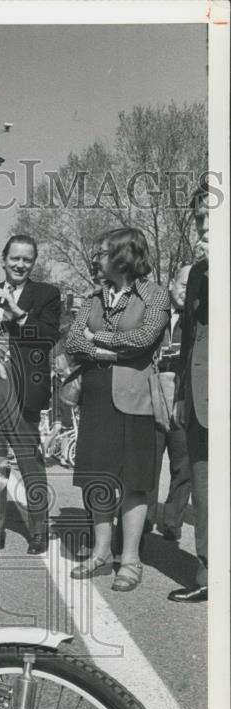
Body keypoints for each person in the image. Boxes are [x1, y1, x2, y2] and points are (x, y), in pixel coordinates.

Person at [65, 227, 169, 593]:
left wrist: (97, 340)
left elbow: (144, 340)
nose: (96, 258)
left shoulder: (155, 294)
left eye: (103, 252)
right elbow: (73, 340)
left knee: (133, 481)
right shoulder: (94, 296)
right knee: (97, 479)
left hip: (134, 398)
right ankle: (100, 552)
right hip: (94, 397)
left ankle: (130, 560)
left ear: (124, 256)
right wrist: (105, 350)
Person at [0, 235, 60, 554]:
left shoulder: (46, 294)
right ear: (4, 259)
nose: (21, 264)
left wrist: (19, 315)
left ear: (33, 263)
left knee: (29, 462)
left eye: (27, 259)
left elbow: (48, 337)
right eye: (15, 258)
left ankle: (39, 530)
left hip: (23, 388)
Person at [168, 186, 209, 603]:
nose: (203, 225)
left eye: (212, 216)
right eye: (199, 218)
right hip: (198, 394)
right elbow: (190, 338)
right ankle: (207, 575)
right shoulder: (197, 271)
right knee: (205, 485)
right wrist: (182, 391)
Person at [145, 263, 192, 541]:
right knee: (149, 463)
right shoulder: (155, 314)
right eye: (183, 284)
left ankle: (172, 522)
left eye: (191, 286)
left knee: (182, 464)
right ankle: (146, 518)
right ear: (172, 283)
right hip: (152, 394)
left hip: (183, 398)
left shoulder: (198, 317)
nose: (186, 291)